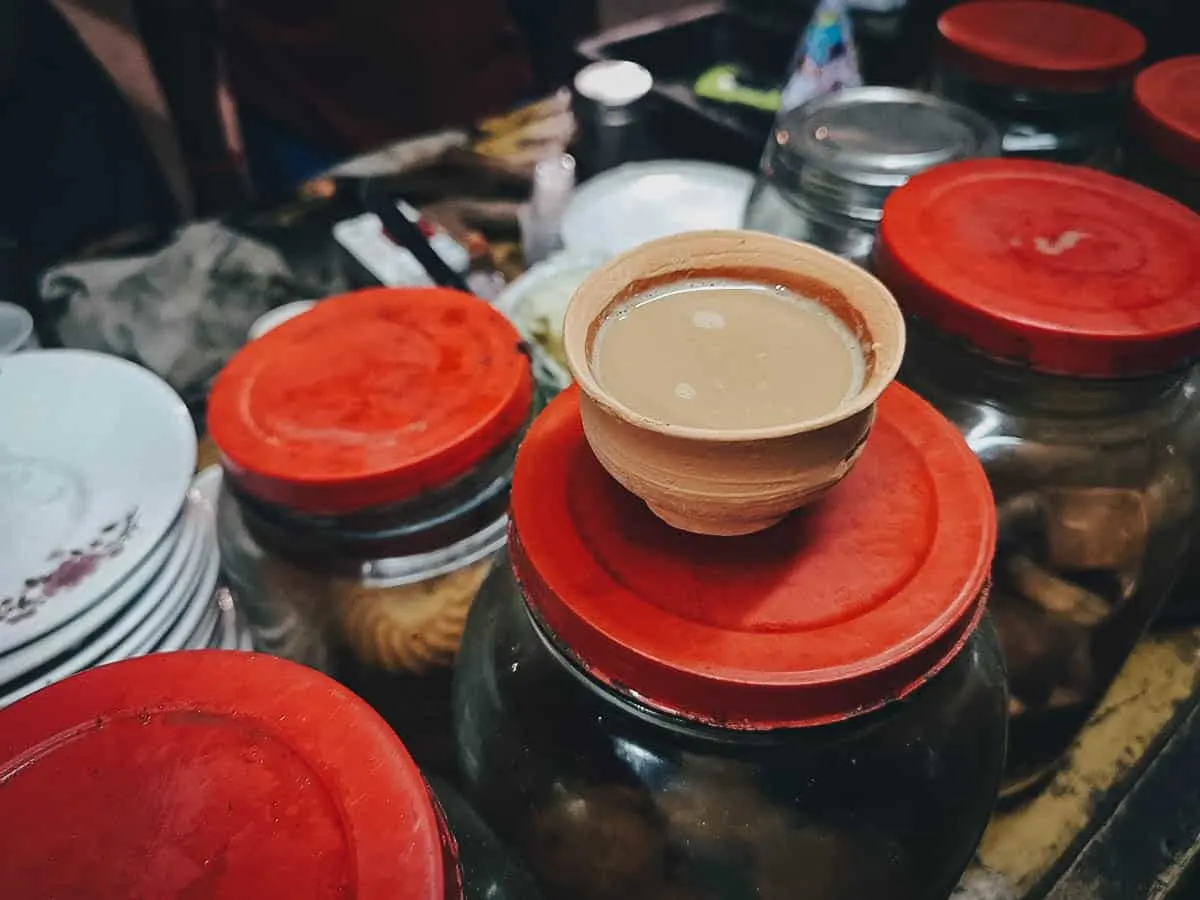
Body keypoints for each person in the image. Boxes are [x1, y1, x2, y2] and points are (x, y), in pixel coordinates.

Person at [136, 0, 551, 205]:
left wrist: (568, 75)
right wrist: (208, 163)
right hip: (310, 128)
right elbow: (174, 11)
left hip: (496, 102)